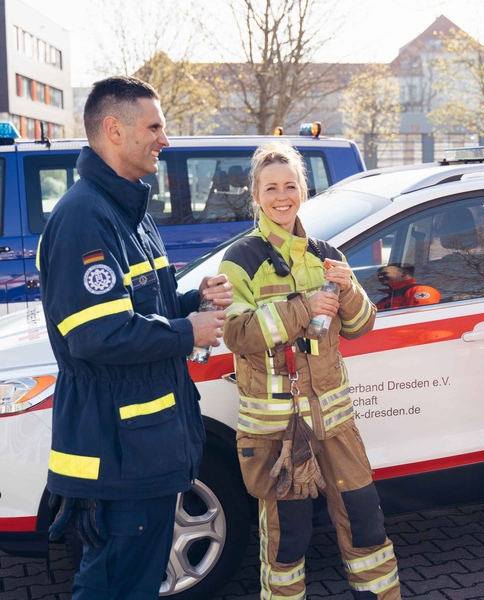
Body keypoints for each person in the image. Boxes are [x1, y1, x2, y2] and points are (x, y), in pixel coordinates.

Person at [37, 75, 232, 599]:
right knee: (114, 588)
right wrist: (186, 330)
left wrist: (194, 304)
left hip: (144, 448)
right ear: (114, 130)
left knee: (134, 584)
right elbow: (96, 335)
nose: (164, 140)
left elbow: (144, 309)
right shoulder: (84, 217)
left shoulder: (130, 212)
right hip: (117, 453)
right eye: (155, 127)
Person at [218, 142, 402, 600]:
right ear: (256, 196)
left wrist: (349, 290)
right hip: (279, 433)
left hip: (334, 423)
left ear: (304, 189)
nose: (283, 196)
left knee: (365, 526)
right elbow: (237, 335)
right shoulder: (240, 260)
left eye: (291, 186)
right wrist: (302, 307)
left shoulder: (325, 252)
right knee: (289, 541)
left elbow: (360, 326)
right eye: (271, 188)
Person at [375, 263, 441, 310]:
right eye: (379, 275)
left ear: (403, 274)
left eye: (384, 274)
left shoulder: (420, 290)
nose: (380, 277)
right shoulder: (385, 300)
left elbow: (423, 316)